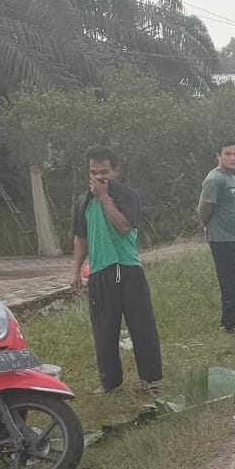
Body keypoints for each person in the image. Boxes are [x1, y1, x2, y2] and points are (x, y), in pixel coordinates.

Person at [70, 146, 163, 392]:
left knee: (141, 325)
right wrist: (76, 271)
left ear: (116, 171)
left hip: (128, 268)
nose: (99, 177)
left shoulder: (127, 196)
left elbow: (123, 226)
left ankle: (149, 379)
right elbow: (81, 238)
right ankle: (110, 382)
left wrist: (104, 197)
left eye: (104, 172)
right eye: (93, 172)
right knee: (104, 329)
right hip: (100, 270)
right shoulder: (82, 201)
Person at [197, 140, 235, 333]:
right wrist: (207, 226)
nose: (233, 158)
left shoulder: (232, 177)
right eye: (228, 154)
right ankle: (230, 324)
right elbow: (204, 208)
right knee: (233, 281)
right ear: (218, 156)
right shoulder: (215, 179)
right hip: (223, 239)